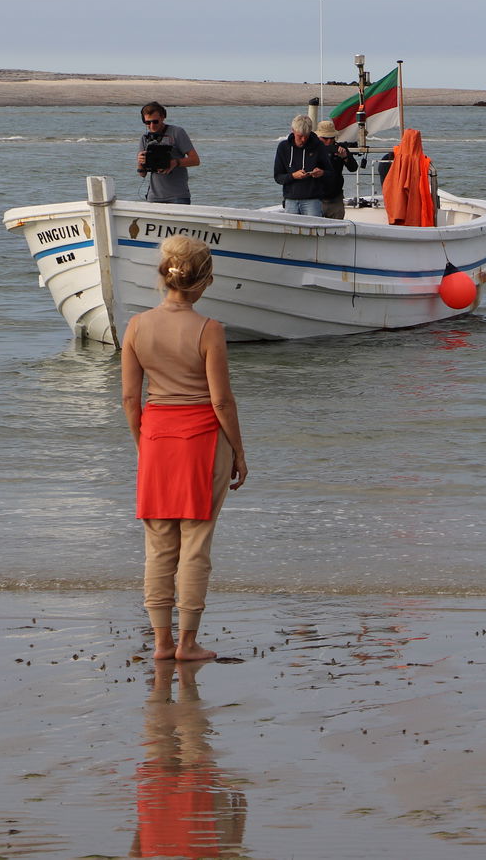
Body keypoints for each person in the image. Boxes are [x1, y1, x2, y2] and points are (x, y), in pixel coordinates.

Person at [120, 235, 248, 661]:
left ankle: (160, 643)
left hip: (156, 439)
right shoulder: (209, 330)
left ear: (164, 276)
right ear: (204, 282)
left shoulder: (136, 326)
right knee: (196, 543)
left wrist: (144, 443)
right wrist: (240, 453)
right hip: (203, 443)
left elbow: (130, 399)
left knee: (158, 545)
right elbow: (221, 401)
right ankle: (187, 643)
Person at [136, 102, 200, 204]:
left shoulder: (177, 132)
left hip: (178, 196)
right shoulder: (145, 138)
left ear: (163, 117)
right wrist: (140, 161)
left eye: (155, 121)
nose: (152, 126)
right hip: (153, 197)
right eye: (148, 123)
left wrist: (175, 162)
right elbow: (142, 174)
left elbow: (195, 160)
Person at [272, 114, 330, 216]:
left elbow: (331, 173)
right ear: (293, 130)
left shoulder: (319, 146)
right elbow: (278, 177)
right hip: (291, 200)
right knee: (291, 231)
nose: (303, 139)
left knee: (314, 229)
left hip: (313, 200)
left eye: (306, 136)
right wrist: (293, 176)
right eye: (300, 136)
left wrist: (321, 173)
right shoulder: (283, 147)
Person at [315, 119, 361, 219]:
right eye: (325, 138)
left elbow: (353, 168)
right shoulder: (312, 149)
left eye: (332, 138)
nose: (329, 141)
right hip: (316, 198)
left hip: (335, 198)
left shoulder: (340, 148)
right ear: (318, 137)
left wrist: (344, 157)